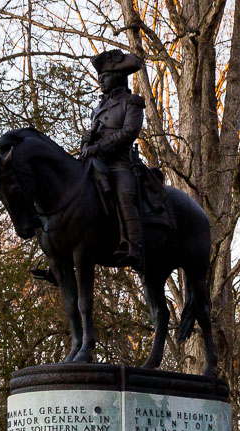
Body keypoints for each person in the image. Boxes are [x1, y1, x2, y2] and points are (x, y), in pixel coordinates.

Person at [80, 49, 146, 271]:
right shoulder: (98, 107)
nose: (101, 81)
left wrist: (99, 146)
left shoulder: (132, 103)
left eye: (105, 76)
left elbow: (128, 132)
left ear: (117, 77)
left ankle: (134, 249)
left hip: (119, 163)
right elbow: (90, 140)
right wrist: (86, 142)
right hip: (94, 163)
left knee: (125, 194)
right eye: (100, 77)